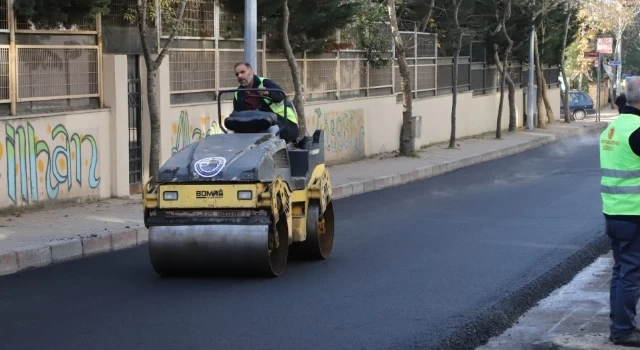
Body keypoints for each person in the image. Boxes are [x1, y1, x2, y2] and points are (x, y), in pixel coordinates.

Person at [601, 77, 640, 347]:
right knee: (632, 272)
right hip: (634, 213)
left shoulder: (612, 129)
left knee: (621, 270)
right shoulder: (638, 129)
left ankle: (619, 324)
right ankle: (624, 330)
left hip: (614, 211)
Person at [232, 61, 299, 143]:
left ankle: (274, 154)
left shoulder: (265, 83)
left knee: (271, 129)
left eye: (242, 72)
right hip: (253, 123)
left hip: (279, 120)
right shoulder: (238, 93)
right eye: (237, 74)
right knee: (235, 133)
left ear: (251, 72)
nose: (240, 76)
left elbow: (280, 95)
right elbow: (238, 114)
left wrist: (268, 93)